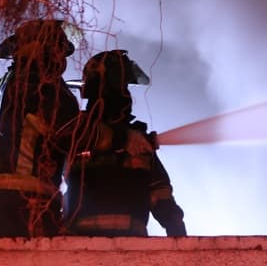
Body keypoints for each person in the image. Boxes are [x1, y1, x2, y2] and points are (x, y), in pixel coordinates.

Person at [0, 19, 81, 237]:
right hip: (28, 196)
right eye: (57, 49)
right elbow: (69, 134)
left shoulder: (4, 85)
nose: (60, 58)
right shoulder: (46, 86)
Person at [63, 49, 186, 237]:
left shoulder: (138, 143)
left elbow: (160, 194)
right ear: (103, 88)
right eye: (120, 87)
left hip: (130, 247)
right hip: (80, 245)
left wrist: (176, 229)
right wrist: (123, 139)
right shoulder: (76, 130)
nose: (126, 95)